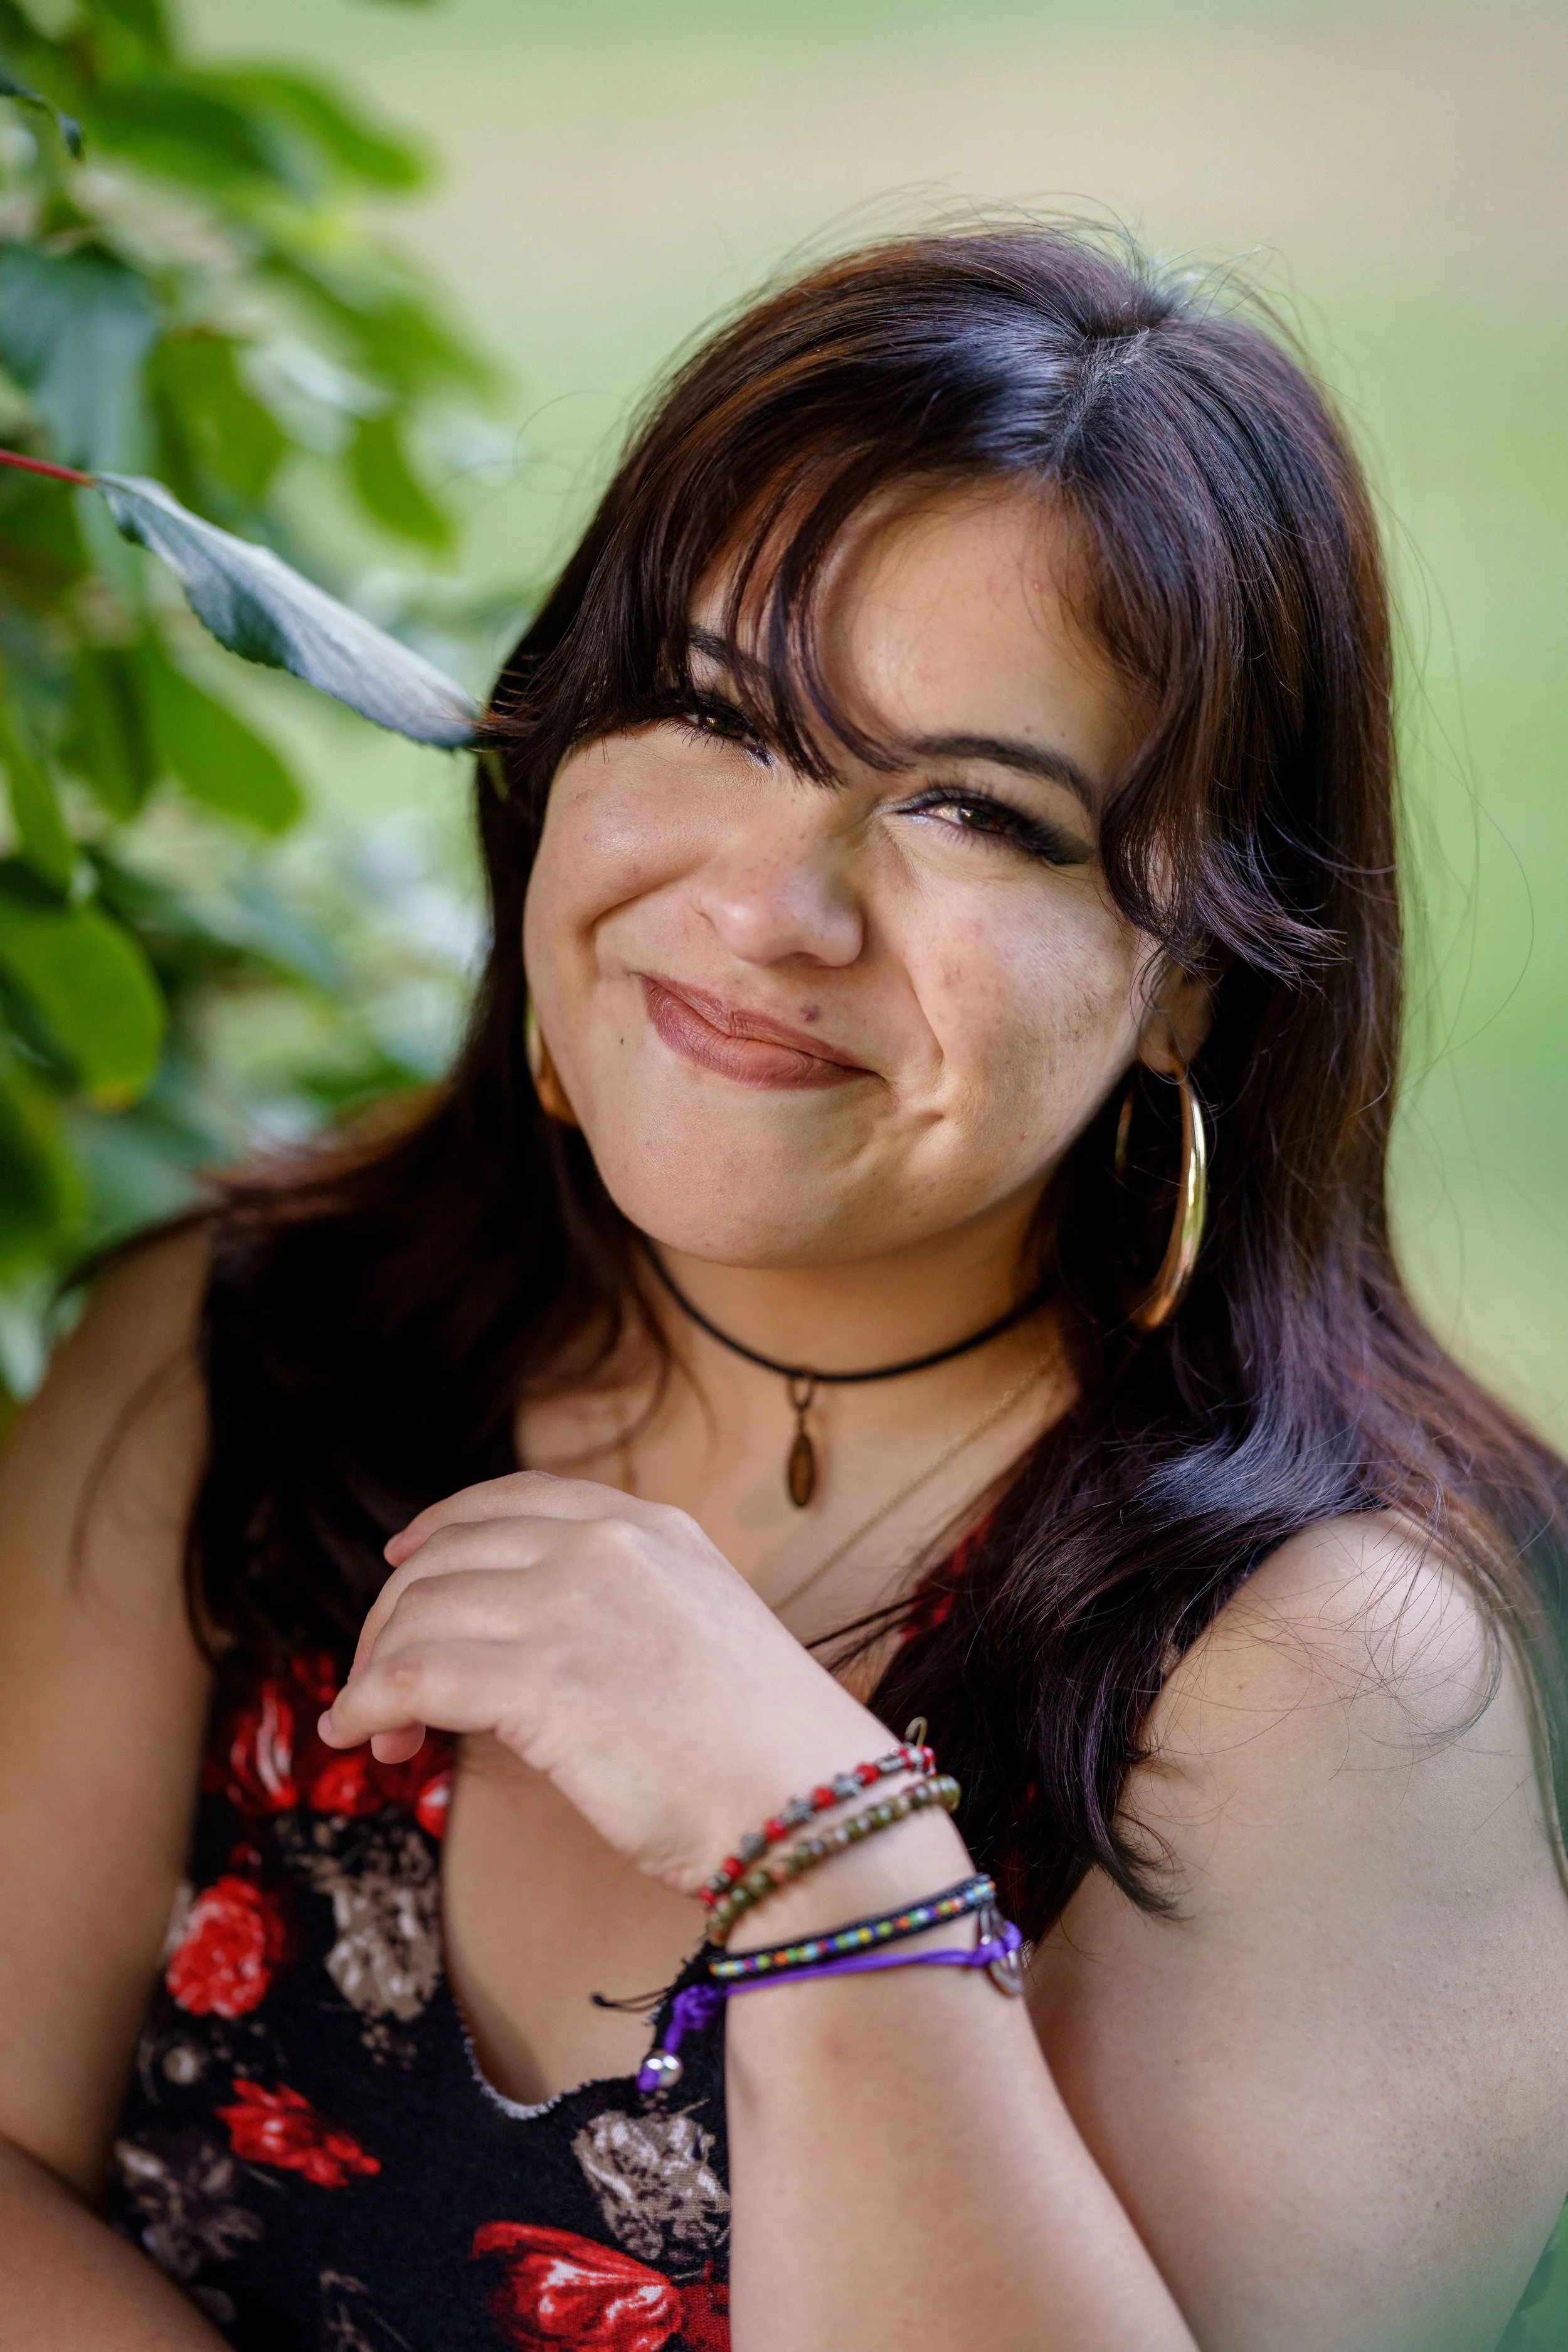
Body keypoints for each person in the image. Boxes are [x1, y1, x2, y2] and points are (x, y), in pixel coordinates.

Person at [1, 224, 1565, 2352]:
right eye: (712, 711)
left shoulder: (1327, 1678)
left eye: (972, 810)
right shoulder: (229, 1359)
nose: (766, 905)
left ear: (1189, 973)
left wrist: (835, 1875)